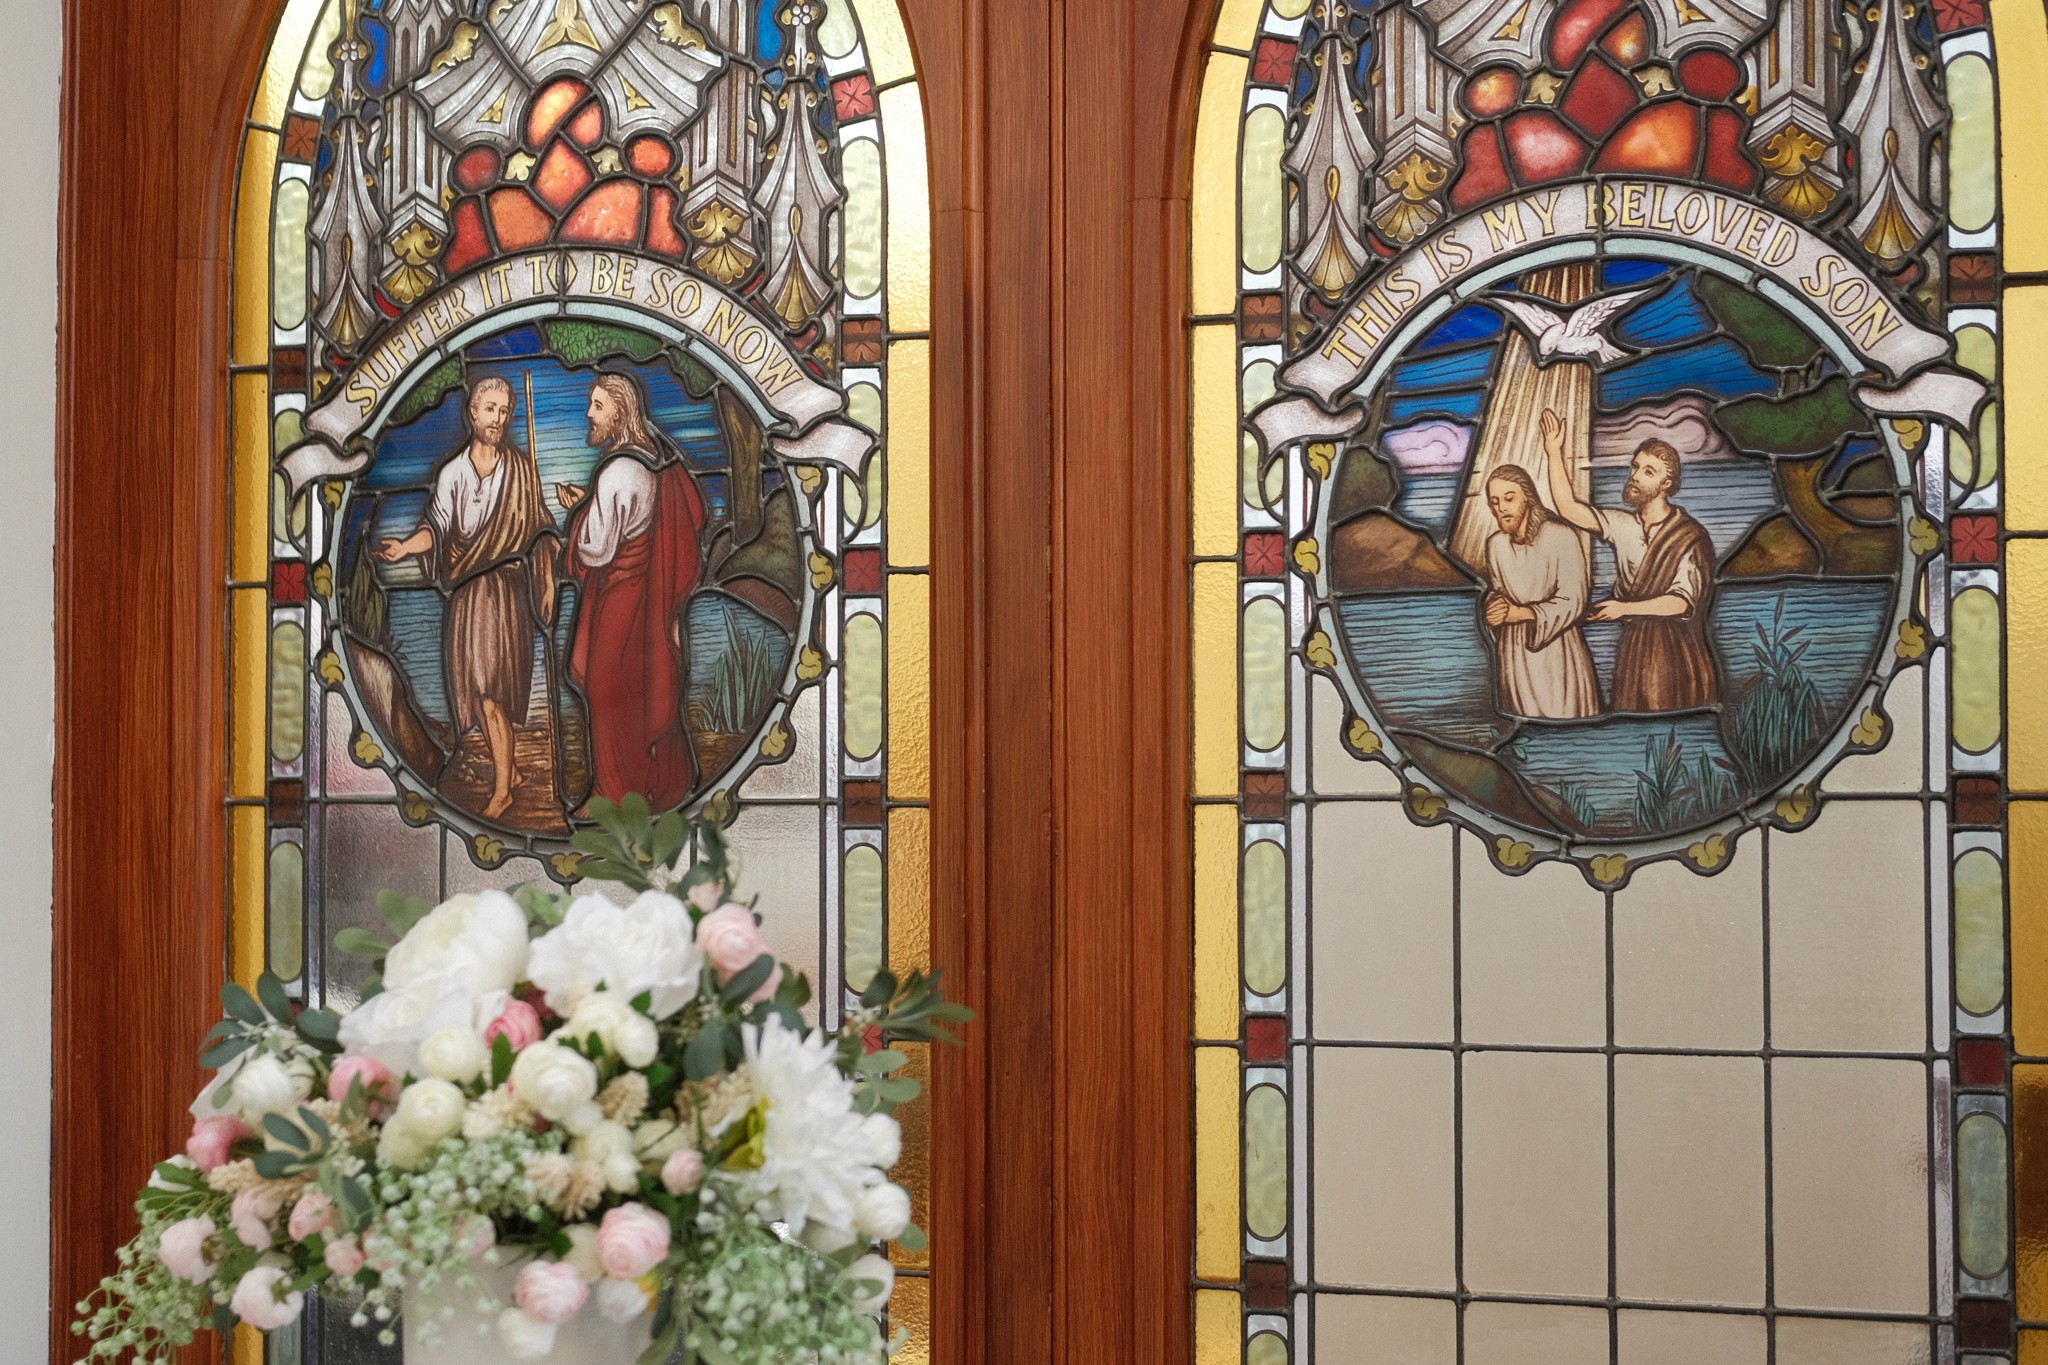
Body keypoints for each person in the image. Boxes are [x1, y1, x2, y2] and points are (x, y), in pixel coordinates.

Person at [376, 376, 559, 821]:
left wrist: (549, 581)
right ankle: (509, 770)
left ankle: (502, 792)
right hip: (467, 596)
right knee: (477, 695)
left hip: (506, 594)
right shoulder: (452, 473)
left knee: (492, 693)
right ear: (472, 413)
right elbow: (435, 531)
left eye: (504, 410)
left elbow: (542, 531)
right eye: (489, 409)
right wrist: (403, 547)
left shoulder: (521, 470)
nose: (497, 418)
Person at [557, 372, 706, 811]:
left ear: (619, 413)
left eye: (597, 406)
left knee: (608, 692)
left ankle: (614, 794)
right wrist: (591, 503)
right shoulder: (645, 462)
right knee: (641, 688)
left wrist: (576, 523)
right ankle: (655, 783)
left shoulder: (618, 470)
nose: (589, 413)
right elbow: (636, 518)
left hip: (620, 596)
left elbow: (598, 549)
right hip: (643, 593)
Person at [1539, 408, 1718, 712]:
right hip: (1634, 647)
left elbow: (1682, 602)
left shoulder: (1690, 536)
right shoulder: (1623, 525)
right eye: (1635, 467)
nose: (1635, 476)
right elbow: (1569, 508)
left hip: (1676, 651)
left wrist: (1623, 608)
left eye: (1649, 471)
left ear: (1666, 484)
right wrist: (1553, 451)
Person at [1480, 465, 1600, 720]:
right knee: (1522, 724)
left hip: (1556, 651)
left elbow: (1574, 600)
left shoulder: (1561, 536)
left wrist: (1522, 613)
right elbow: (1498, 592)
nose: (1501, 507)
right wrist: (1494, 609)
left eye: (1509, 498)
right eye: (1494, 502)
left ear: (1528, 496)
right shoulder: (1496, 546)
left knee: (1564, 721)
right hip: (1514, 654)